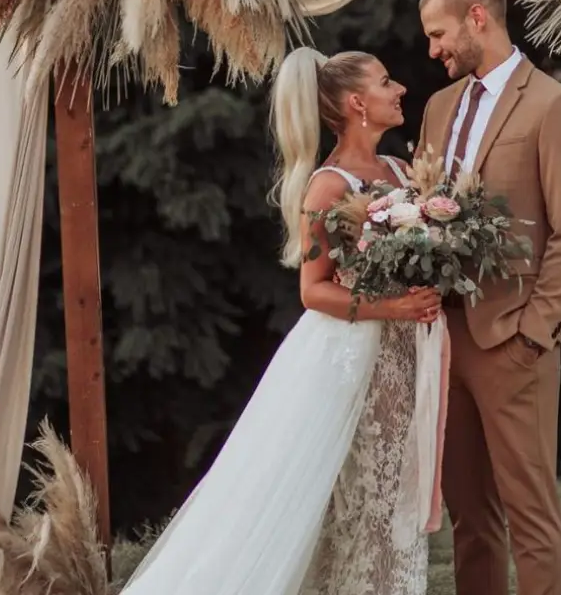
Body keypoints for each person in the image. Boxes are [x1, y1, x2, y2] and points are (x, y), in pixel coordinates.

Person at [120, 48, 439, 595]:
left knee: (394, 492)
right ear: (359, 102)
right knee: (356, 494)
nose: (400, 89)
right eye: (387, 82)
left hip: (406, 350)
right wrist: (393, 308)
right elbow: (313, 291)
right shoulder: (328, 186)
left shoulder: (401, 171)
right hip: (350, 358)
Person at [418, 0, 561, 595]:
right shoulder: (438, 108)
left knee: (531, 517)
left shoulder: (554, 105)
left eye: (439, 34)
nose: (433, 50)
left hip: (514, 341)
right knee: (471, 518)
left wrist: (535, 333)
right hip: (445, 340)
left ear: (478, 18)